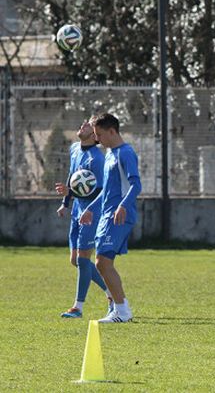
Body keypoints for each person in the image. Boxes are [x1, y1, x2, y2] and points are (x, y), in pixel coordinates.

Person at [79, 113, 142, 323]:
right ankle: (119, 309)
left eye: (99, 134)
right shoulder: (109, 155)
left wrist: (123, 205)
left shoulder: (126, 153)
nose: (97, 139)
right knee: (102, 263)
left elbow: (136, 184)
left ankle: (122, 312)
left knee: (102, 262)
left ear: (112, 131)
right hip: (107, 215)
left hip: (119, 215)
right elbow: (107, 189)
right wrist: (90, 208)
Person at [54, 119, 113, 318]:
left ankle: (77, 307)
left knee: (83, 259)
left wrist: (75, 194)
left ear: (95, 135)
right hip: (77, 210)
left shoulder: (98, 159)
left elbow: (100, 191)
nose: (83, 125)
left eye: (88, 125)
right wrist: (65, 202)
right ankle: (113, 293)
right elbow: (72, 176)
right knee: (76, 261)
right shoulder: (74, 149)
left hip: (91, 213)